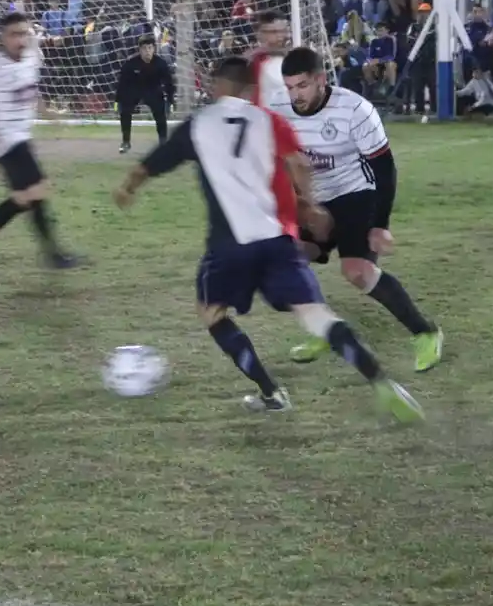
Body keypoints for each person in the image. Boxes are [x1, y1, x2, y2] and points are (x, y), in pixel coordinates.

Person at [113, 56, 423, 420]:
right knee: (316, 315)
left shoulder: (199, 124)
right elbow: (299, 163)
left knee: (212, 312)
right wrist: (309, 204)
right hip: (277, 239)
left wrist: (127, 188)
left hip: (229, 244)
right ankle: (382, 382)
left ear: (216, 85)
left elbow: (147, 166)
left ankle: (272, 392)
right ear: (248, 89)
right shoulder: (269, 120)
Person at [276, 47, 444, 372]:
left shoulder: (355, 110)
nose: (296, 95)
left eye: (303, 86)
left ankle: (425, 333)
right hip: (313, 199)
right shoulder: (279, 110)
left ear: (321, 80)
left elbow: (384, 168)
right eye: (290, 87)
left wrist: (380, 224)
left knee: (357, 272)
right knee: (285, 261)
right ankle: (325, 329)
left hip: (356, 194)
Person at [0, 11, 78, 273]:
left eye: (24, 33)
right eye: (14, 35)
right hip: (5, 142)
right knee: (39, 189)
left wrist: (48, 113)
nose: (20, 40)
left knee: (24, 198)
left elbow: (32, 91)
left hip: (21, 136)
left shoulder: (31, 58)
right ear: (2, 38)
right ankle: (53, 255)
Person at [117, 35, 173, 153]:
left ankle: (163, 142)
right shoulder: (131, 63)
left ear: (154, 49)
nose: (147, 51)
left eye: (149, 48)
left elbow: (169, 83)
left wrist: (170, 100)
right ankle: (126, 142)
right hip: (134, 90)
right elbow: (122, 83)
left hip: (153, 91)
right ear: (140, 50)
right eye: (144, 48)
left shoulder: (161, 64)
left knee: (160, 113)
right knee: (125, 111)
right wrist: (118, 100)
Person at [246, 9, 293, 107]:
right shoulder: (252, 61)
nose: (281, 36)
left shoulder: (295, 57)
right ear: (260, 34)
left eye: (284, 31)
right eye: (274, 32)